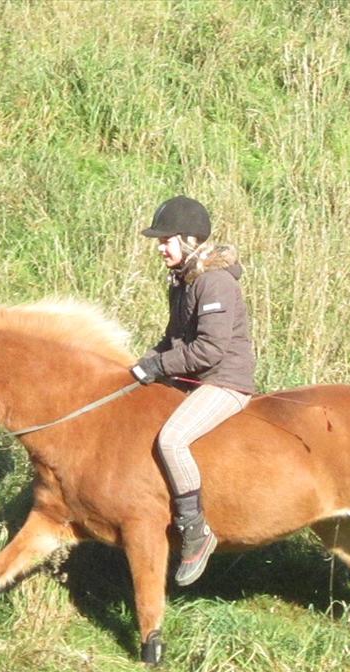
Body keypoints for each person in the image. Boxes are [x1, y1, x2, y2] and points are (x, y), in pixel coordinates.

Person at [131, 196, 256, 586]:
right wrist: (137, 366)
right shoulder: (183, 280)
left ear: (188, 240)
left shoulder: (214, 281)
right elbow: (172, 339)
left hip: (225, 381)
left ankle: (195, 531)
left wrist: (157, 367)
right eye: (159, 240)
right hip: (195, 378)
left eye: (165, 240)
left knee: (171, 440)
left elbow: (209, 350)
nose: (160, 247)